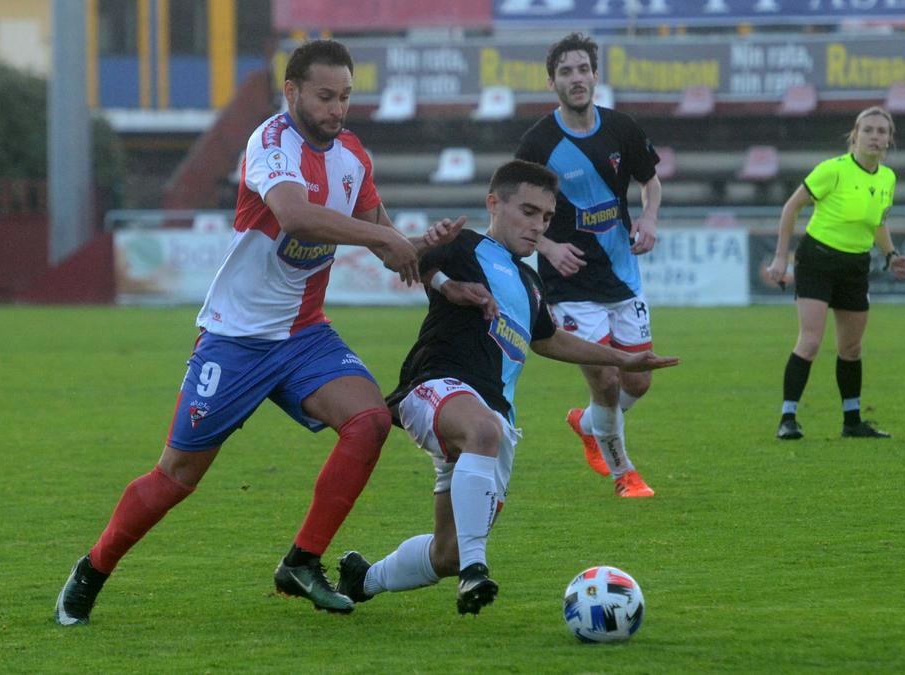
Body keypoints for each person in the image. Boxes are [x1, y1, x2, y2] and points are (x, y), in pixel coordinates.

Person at [55, 40, 470, 625]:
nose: (337, 109)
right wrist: (383, 240)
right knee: (176, 477)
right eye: (325, 96)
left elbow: (385, 241)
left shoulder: (353, 157)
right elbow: (296, 214)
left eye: (346, 97)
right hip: (235, 339)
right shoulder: (269, 142)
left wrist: (426, 251)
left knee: (370, 420)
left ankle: (302, 561)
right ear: (293, 92)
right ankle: (93, 568)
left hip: (304, 336)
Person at [333, 160, 680, 615]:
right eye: (529, 212)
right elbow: (406, 257)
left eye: (547, 219)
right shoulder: (463, 243)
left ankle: (363, 579)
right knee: (481, 436)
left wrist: (623, 356)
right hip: (437, 385)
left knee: (447, 552)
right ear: (493, 203)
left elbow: (548, 339)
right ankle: (475, 572)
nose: (538, 227)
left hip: (496, 417)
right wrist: (439, 272)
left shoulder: (531, 282)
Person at [515, 33, 666, 498]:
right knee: (604, 377)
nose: (576, 78)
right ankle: (625, 474)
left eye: (583, 69)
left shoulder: (621, 128)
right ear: (552, 82)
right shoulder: (538, 142)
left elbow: (651, 181)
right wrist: (549, 247)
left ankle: (588, 424)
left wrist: (648, 217)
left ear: (595, 75)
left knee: (637, 380)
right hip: (570, 284)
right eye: (566, 72)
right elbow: (513, 210)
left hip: (623, 276)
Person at [766, 106, 905, 441]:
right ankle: (787, 418)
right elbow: (791, 207)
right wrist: (780, 258)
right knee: (811, 340)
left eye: (882, 131)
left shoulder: (888, 178)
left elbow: (879, 222)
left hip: (855, 266)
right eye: (869, 130)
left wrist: (890, 255)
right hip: (817, 260)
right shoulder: (833, 170)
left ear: (890, 139)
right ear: (855, 135)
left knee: (852, 348)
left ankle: (852, 422)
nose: (876, 137)